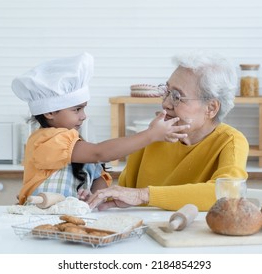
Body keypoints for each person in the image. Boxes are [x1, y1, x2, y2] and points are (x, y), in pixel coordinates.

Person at [11, 52, 189, 205]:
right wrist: (151, 135)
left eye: (83, 108)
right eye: (76, 109)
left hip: (69, 220)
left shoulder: (76, 145)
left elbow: (98, 177)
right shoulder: (45, 141)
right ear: (50, 112)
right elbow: (100, 153)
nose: (83, 116)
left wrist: (92, 195)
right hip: (38, 217)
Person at [87, 50, 249, 212]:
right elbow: (127, 193)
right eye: (167, 92)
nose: (166, 103)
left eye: (177, 97)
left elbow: (227, 194)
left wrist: (143, 195)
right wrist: (100, 197)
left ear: (211, 108)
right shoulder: (152, 136)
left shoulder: (231, 141)